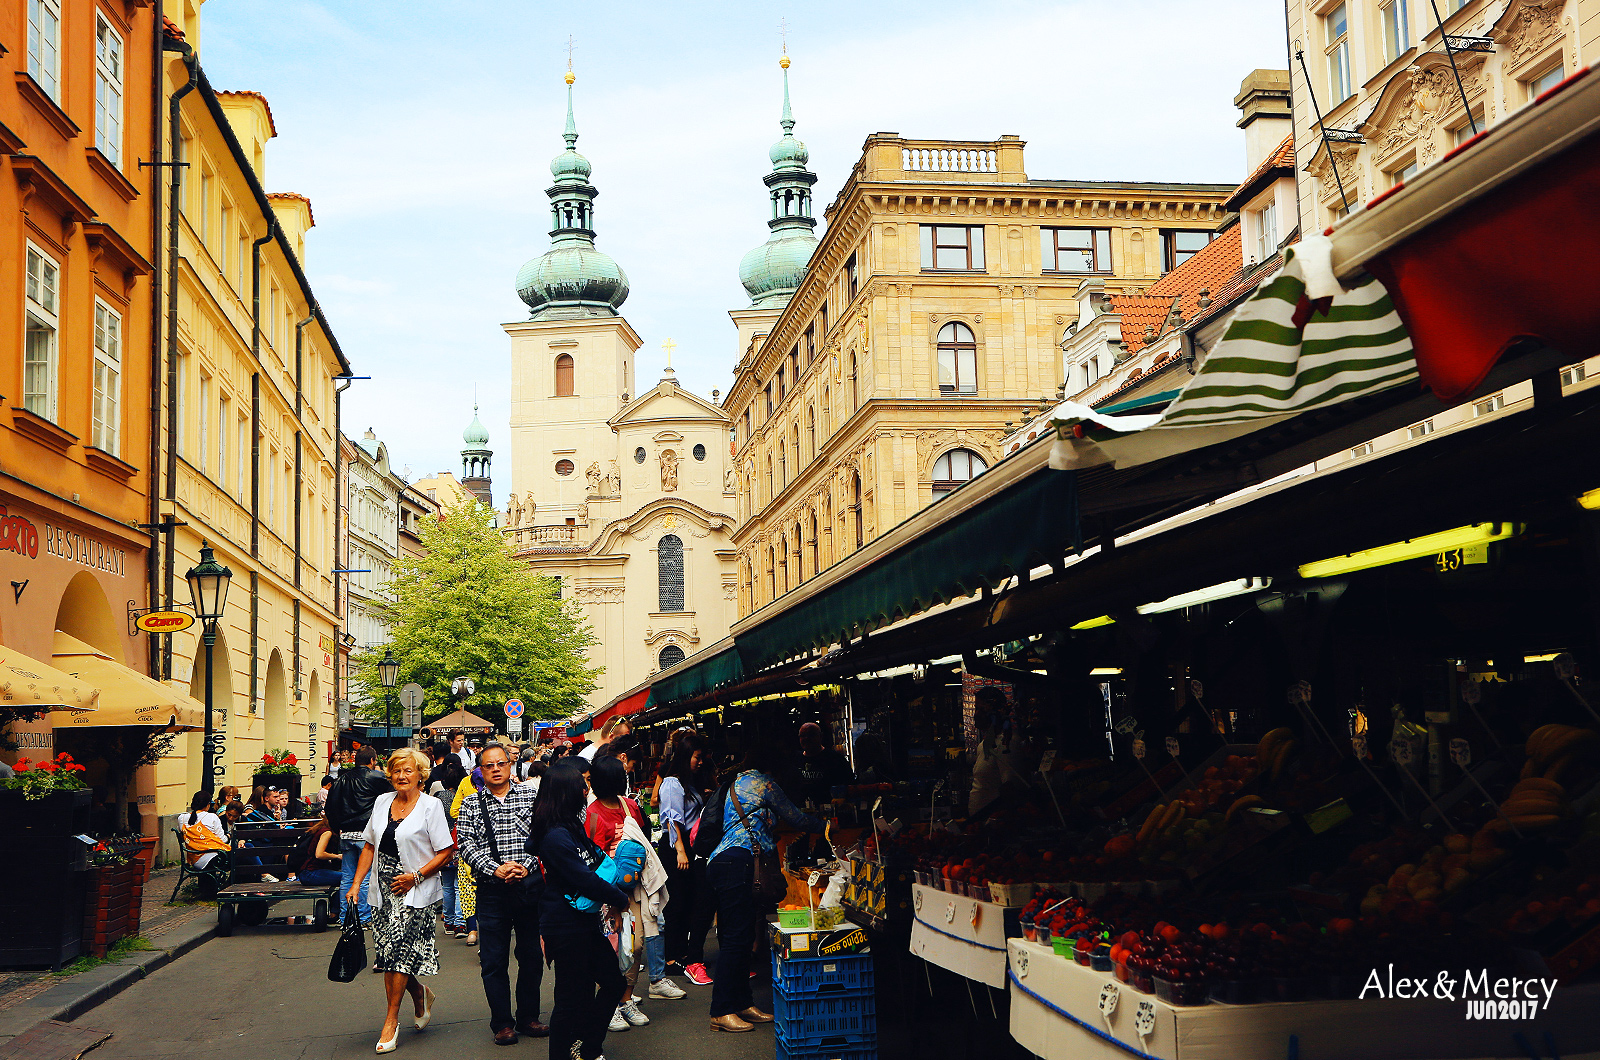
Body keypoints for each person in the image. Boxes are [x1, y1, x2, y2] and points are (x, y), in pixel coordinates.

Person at [706, 745, 827, 1032]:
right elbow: (795, 817)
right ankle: (721, 1010)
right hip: (738, 862)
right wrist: (826, 825)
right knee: (737, 939)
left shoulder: (736, 782)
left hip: (725, 861)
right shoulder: (764, 783)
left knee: (743, 934)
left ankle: (742, 1003)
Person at [346, 748, 455, 1054]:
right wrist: (356, 884)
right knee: (388, 954)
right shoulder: (382, 802)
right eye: (396, 771)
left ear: (420, 774)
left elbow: (445, 851)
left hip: (413, 889)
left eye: (408, 771)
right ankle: (419, 994)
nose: (402, 776)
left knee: (399, 955)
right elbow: (369, 845)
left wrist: (416, 877)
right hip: (383, 888)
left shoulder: (431, 806)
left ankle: (391, 1020)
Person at [527, 760, 631, 1060]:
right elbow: (584, 879)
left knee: (612, 983)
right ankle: (572, 1051)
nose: (587, 789)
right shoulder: (555, 836)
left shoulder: (569, 826)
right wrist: (619, 899)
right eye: (581, 784)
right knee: (571, 999)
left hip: (583, 921)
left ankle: (588, 1047)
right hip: (565, 926)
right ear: (566, 792)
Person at [456, 742, 547, 1046]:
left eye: (500, 763)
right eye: (489, 765)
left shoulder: (531, 796)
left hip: (528, 887)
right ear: (480, 771)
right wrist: (494, 868)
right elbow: (464, 846)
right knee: (493, 960)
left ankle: (528, 1017)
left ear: (510, 765)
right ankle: (502, 1024)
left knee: (532, 955)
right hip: (491, 891)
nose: (495, 769)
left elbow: (544, 836)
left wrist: (526, 865)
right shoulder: (471, 804)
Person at [584, 757, 653, 1032]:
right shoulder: (593, 814)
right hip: (605, 892)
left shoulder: (631, 806)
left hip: (634, 887)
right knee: (610, 948)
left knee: (635, 945)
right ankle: (609, 1003)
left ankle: (626, 1000)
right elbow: (593, 857)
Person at [657, 735, 713, 987]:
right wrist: (680, 850)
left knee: (687, 901)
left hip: (688, 850)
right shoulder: (671, 783)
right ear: (684, 756)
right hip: (674, 851)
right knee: (676, 903)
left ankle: (681, 954)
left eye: (702, 758)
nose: (700, 762)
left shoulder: (688, 784)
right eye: (696, 757)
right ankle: (670, 959)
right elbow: (671, 820)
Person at [326, 744, 394, 926]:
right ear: (372, 761)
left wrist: (336, 828)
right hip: (367, 833)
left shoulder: (341, 779)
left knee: (347, 877)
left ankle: (345, 917)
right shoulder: (376, 778)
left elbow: (330, 807)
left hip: (345, 833)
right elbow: (392, 798)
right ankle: (363, 918)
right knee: (364, 877)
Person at [428, 756, 469, 935]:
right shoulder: (464, 798)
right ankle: (460, 922)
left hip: (442, 844)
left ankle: (449, 920)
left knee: (447, 886)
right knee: (459, 885)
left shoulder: (438, 797)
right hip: (459, 843)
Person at [452, 765, 485, 945]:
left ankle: (472, 930)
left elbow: (453, 811)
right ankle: (487, 931)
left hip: (468, 853)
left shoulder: (466, 786)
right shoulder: (498, 796)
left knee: (466, 891)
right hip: (491, 855)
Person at [785, 722, 854, 808]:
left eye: (811, 735)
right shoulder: (794, 760)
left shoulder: (835, 759)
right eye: (803, 735)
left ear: (820, 736)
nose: (806, 738)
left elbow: (849, 787)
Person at [180, 791, 230, 895]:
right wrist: (229, 836)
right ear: (208, 805)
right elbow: (223, 840)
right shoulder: (212, 817)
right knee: (241, 855)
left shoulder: (182, 818)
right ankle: (231, 887)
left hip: (194, 859)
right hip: (212, 858)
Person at [291, 814, 344, 888]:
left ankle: (337, 898)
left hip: (306, 873)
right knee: (349, 878)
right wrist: (337, 856)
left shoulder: (319, 829)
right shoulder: (327, 832)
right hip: (310, 873)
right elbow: (319, 854)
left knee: (347, 877)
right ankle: (337, 899)